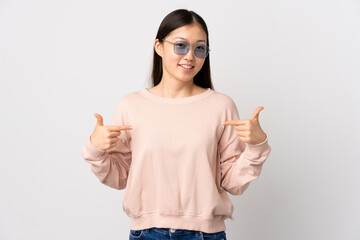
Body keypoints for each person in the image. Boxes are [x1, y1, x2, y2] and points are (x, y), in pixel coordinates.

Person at [81, 9, 271, 240]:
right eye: (181, 45)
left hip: (206, 235)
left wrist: (256, 145)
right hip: (147, 234)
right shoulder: (131, 105)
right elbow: (119, 177)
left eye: (199, 48)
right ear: (159, 46)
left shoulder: (221, 106)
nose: (190, 56)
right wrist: (95, 149)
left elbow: (234, 184)